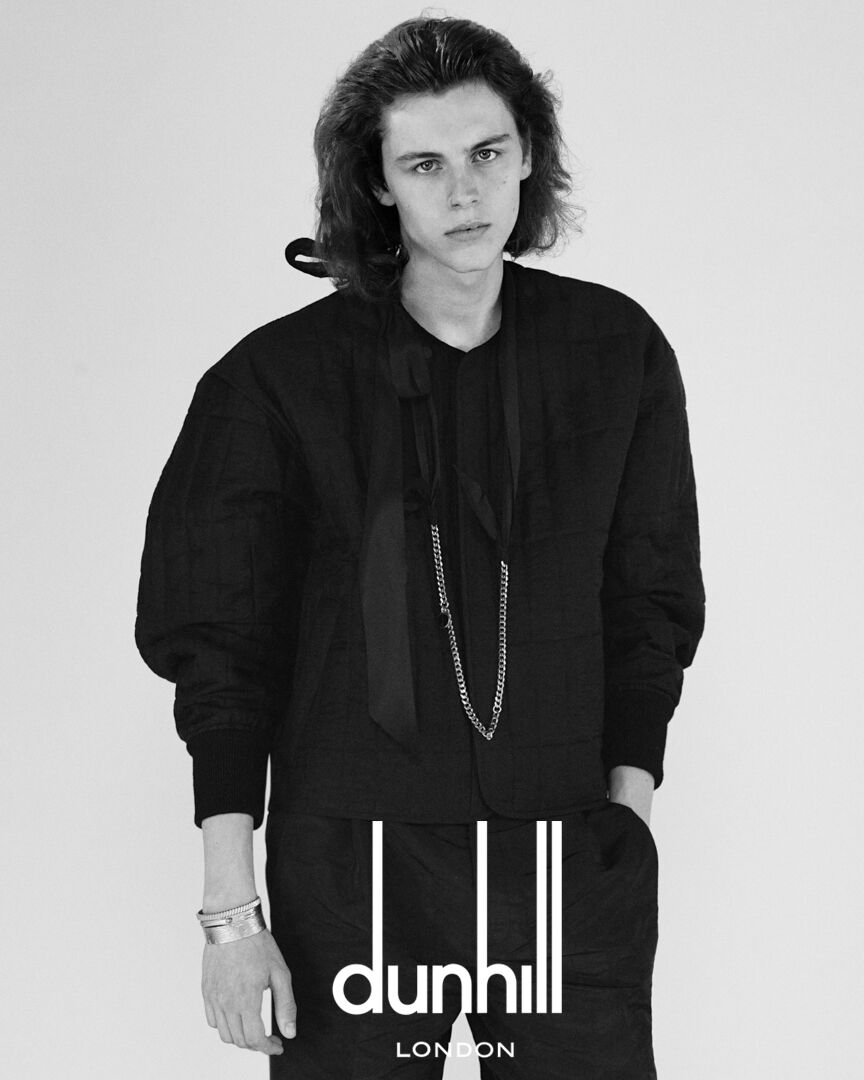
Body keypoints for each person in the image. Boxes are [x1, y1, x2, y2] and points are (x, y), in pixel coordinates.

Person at [134, 15, 705, 1079]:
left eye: (488, 152)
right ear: (379, 182)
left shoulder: (615, 351)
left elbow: (651, 603)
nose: (465, 192)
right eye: (425, 164)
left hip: (565, 860)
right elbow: (222, 654)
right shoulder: (274, 382)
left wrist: (626, 818)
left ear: (528, 156)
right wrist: (231, 916)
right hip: (351, 869)